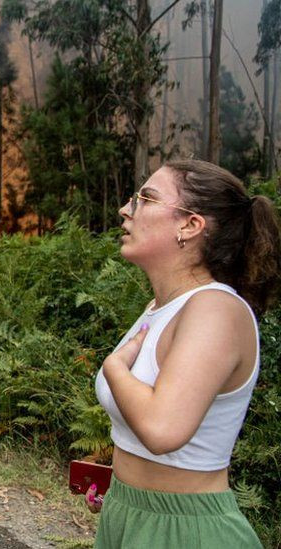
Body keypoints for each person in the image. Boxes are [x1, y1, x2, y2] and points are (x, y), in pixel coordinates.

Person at [89, 160, 279, 548]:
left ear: (190, 225)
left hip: (185, 532)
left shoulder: (216, 309)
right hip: (129, 515)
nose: (126, 210)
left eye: (145, 198)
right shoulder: (160, 307)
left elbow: (162, 430)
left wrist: (114, 368)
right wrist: (125, 491)